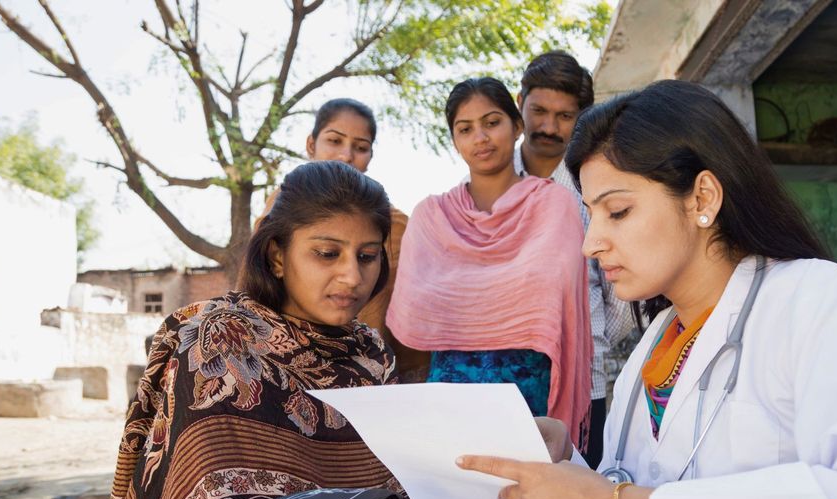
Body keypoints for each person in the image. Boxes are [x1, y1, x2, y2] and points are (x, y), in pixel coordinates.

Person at [457, 80, 837, 499]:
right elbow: (638, 485)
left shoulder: (823, 302)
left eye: (617, 211)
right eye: (591, 216)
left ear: (702, 198)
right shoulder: (658, 341)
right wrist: (565, 462)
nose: (591, 244)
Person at [110, 161, 402, 499]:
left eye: (367, 256)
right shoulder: (218, 342)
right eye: (328, 253)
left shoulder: (373, 356)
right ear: (278, 256)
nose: (352, 275)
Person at [386, 77, 592, 449]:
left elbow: (554, 296)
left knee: (527, 498)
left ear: (517, 126)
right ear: (454, 140)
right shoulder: (432, 216)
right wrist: (505, 298)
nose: (480, 137)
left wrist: (465, 299)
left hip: (527, 388)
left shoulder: (554, 206)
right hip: (450, 392)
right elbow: (416, 308)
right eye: (465, 129)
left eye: (492, 122)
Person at [255, 98, 430, 382]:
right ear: (311, 144)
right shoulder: (280, 209)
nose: (346, 155)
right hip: (280, 367)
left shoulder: (396, 226)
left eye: (360, 147)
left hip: (370, 375)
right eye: (334, 141)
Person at [514, 51, 632, 469]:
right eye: (539, 111)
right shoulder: (487, 186)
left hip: (586, 383)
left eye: (564, 116)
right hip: (502, 380)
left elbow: (623, 300)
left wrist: (584, 337)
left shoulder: (597, 188)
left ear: (582, 119)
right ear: (519, 102)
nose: (548, 126)